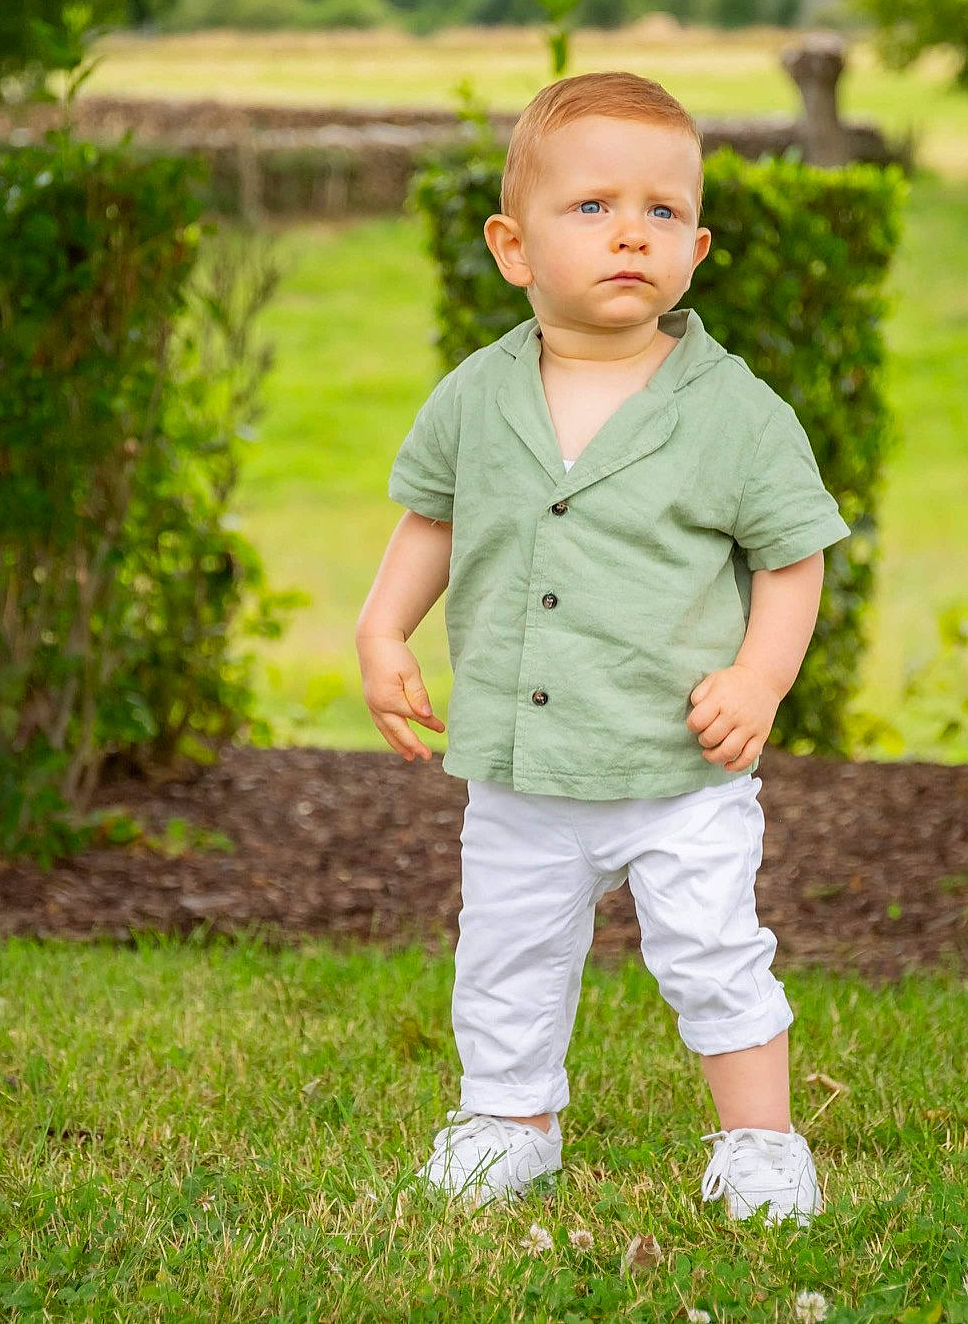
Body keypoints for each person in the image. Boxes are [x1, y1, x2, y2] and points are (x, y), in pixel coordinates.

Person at [353, 70, 849, 1227]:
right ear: (511, 246)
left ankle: (761, 1142)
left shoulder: (734, 411)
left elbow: (793, 556)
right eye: (590, 208)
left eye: (660, 212)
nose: (630, 231)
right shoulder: (478, 396)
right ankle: (508, 1119)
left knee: (713, 952)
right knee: (507, 951)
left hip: (678, 764)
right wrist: (383, 628)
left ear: (696, 245)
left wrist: (759, 676)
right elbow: (433, 518)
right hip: (524, 760)